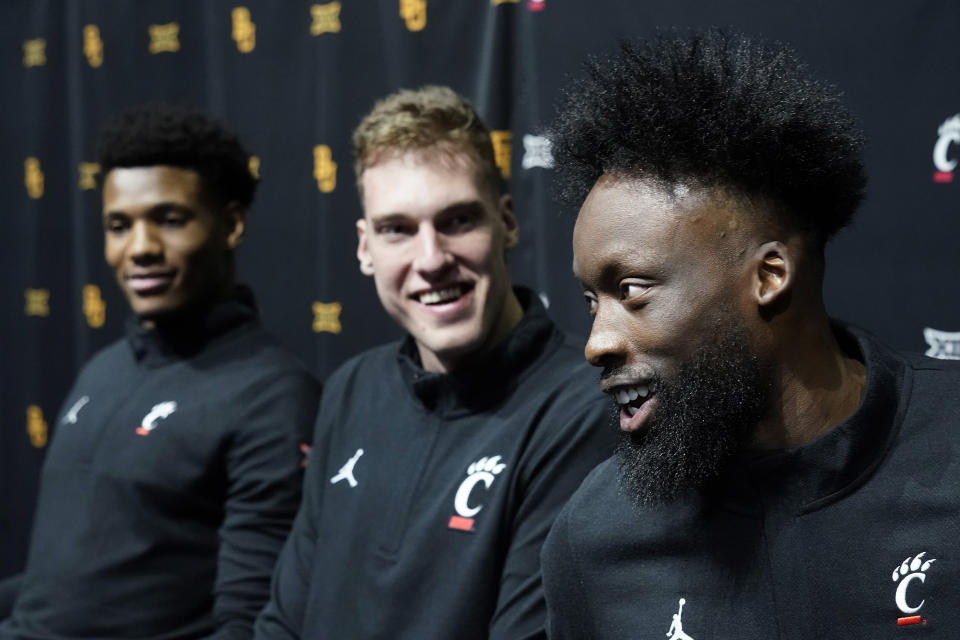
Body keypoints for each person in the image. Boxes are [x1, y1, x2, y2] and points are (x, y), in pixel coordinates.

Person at [540, 29, 960, 638]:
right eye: (590, 302)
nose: (597, 342)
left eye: (631, 290)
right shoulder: (594, 539)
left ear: (768, 276)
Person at [254, 86, 613, 639]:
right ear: (365, 247)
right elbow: (283, 621)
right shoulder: (352, 388)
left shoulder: (584, 406)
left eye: (457, 220)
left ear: (507, 220)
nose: (430, 260)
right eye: (397, 229)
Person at [0, 104, 321, 639]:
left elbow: (248, 623)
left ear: (232, 225)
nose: (140, 248)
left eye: (169, 220)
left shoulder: (274, 396)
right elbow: (62, 591)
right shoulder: (103, 370)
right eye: (118, 226)